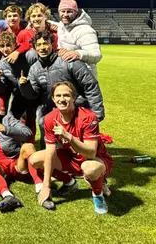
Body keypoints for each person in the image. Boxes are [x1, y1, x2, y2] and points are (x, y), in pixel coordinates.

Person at [28, 81, 114, 214]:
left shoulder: (88, 117)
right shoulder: (50, 119)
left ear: (74, 97)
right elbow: (50, 153)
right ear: (53, 99)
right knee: (35, 159)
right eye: (58, 96)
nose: (61, 99)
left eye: (66, 95)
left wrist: (69, 137)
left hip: (95, 159)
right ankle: (70, 183)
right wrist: (46, 186)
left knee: (89, 168)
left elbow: (91, 153)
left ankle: (98, 194)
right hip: (71, 158)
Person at [19, 30, 104, 146]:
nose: (42, 47)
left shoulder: (68, 60)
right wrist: (25, 86)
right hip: (51, 112)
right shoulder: (34, 69)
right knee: (45, 128)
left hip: (75, 109)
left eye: (45, 43)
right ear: (34, 48)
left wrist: (97, 112)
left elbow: (90, 85)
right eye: (38, 45)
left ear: (52, 44)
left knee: (78, 147)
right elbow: (33, 95)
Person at [0, 95, 54, 212]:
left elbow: (28, 133)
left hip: (16, 162)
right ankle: (8, 196)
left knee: (28, 146)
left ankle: (40, 189)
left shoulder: (7, 119)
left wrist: (5, 129)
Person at [0, 31, 38, 140]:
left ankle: (33, 144)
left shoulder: (28, 55)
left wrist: (18, 51)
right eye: (2, 46)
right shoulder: (1, 64)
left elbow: (30, 45)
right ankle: (17, 145)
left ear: (15, 44)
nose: (5, 49)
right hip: (18, 95)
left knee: (34, 119)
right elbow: (1, 88)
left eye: (8, 45)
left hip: (35, 93)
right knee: (12, 119)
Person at [57, 0, 102, 79]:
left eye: (69, 11)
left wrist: (78, 54)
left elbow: (97, 55)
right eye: (63, 11)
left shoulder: (85, 30)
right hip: (68, 73)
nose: (65, 14)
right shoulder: (61, 27)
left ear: (76, 12)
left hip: (85, 77)